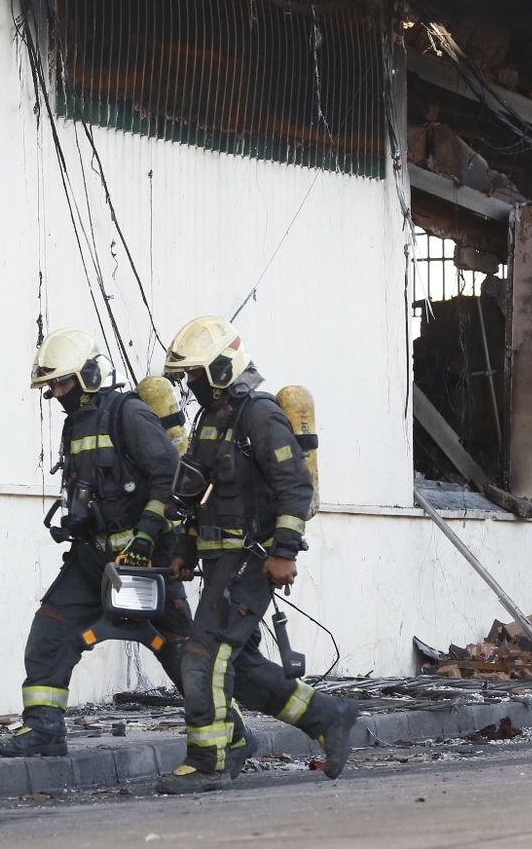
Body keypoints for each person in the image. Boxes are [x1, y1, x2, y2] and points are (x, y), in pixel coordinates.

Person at [0, 328, 254, 766]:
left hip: (144, 561)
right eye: (52, 386)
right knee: (51, 629)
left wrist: (146, 536)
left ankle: (231, 731)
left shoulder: (127, 413)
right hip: (92, 559)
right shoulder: (75, 424)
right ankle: (43, 728)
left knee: (180, 649)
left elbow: (169, 477)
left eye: (63, 382)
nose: (57, 394)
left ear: (90, 375)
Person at [156, 315, 360, 794]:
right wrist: (185, 548)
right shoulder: (211, 419)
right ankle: (328, 716)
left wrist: (284, 552)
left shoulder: (260, 416)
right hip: (219, 563)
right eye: (186, 376)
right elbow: (199, 493)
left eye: (195, 373)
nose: (191, 383)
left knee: (202, 656)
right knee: (241, 669)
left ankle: (208, 761)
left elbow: (295, 486)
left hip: (250, 560)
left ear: (221, 368)